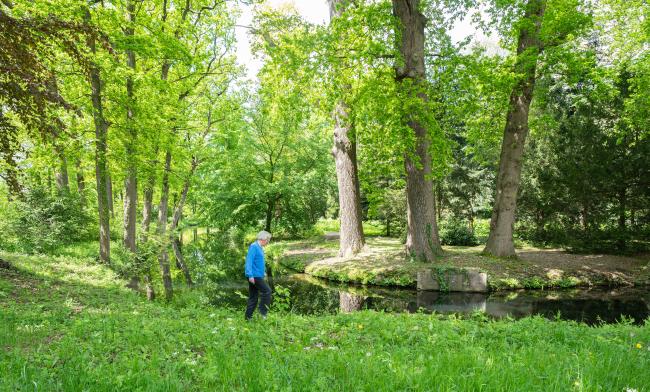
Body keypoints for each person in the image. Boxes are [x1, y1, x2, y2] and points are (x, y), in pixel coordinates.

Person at [244, 230, 272, 320]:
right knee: (267, 291)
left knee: (253, 297)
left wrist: (262, 272)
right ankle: (262, 313)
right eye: (268, 240)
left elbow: (258, 262)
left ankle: (248, 317)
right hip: (254, 276)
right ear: (263, 239)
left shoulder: (259, 247)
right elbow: (249, 261)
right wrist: (250, 275)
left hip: (257, 275)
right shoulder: (254, 246)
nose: (268, 242)